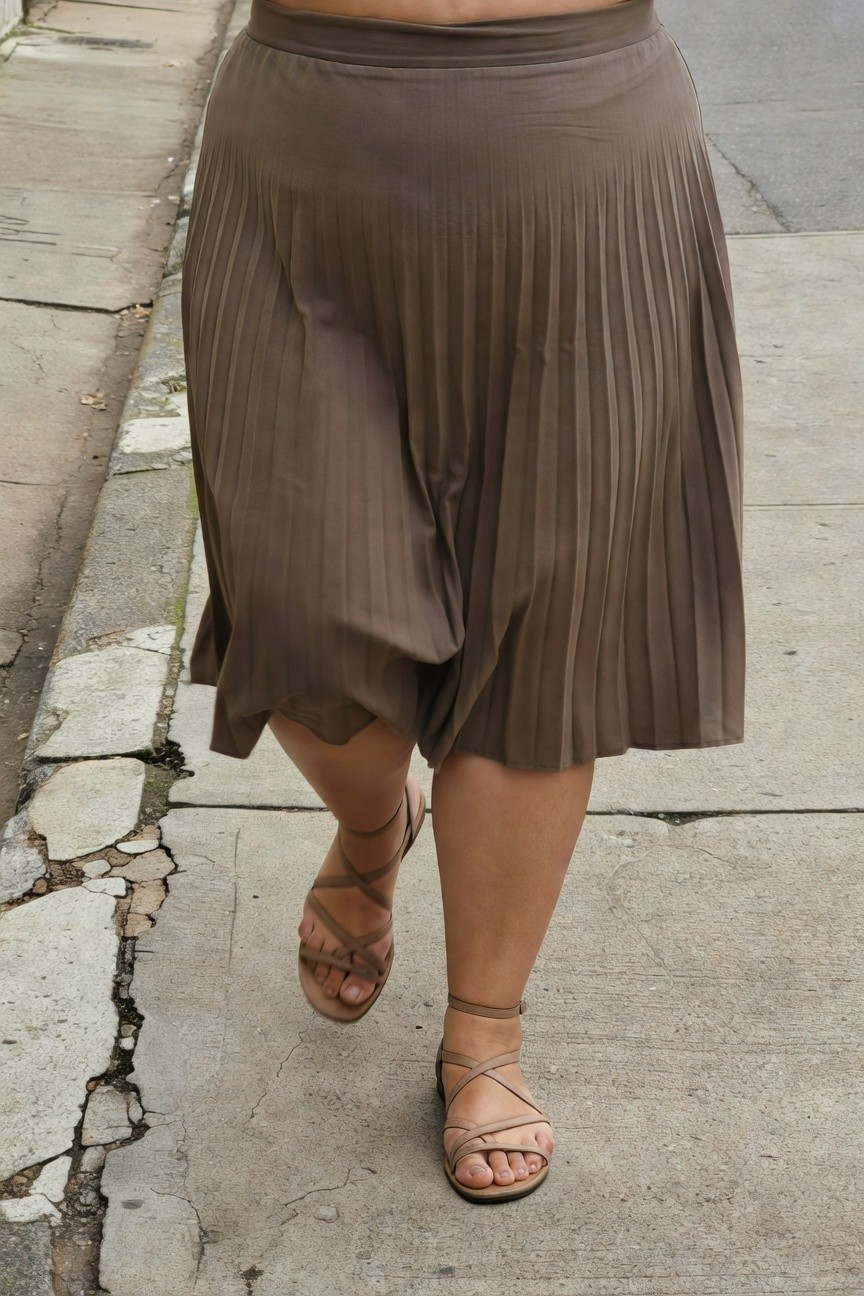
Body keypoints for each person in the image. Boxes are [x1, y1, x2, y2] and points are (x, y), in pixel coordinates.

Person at [180, 0, 745, 1203]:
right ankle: (375, 828)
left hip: (584, 140)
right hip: (304, 150)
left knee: (545, 635)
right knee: (302, 613)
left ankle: (484, 1031)